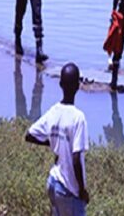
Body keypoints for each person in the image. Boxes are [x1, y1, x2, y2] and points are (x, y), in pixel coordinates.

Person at [26, 63, 90, 216]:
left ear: (60, 84)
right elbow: (76, 159)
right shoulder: (78, 118)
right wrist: (82, 191)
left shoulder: (54, 111)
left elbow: (29, 135)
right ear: (78, 86)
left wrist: (54, 143)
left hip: (53, 183)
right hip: (69, 190)